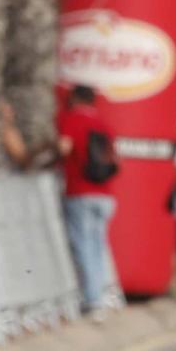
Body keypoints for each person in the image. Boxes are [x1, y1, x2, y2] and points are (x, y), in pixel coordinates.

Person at [52, 84, 122, 321]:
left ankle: (92, 301)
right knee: (98, 246)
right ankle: (99, 296)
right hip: (105, 195)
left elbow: (64, 148)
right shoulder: (104, 124)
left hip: (79, 192)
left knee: (83, 246)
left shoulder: (71, 119)